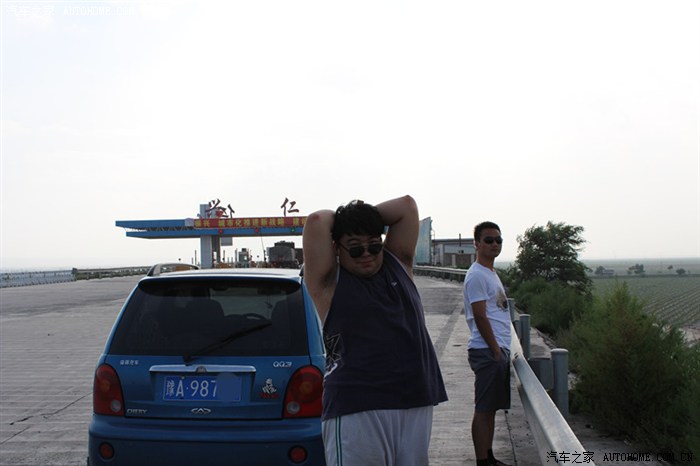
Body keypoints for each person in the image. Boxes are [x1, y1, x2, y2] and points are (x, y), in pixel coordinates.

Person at [302, 195, 448, 466]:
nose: (367, 254)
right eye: (355, 249)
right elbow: (317, 221)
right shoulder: (329, 283)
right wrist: (350, 219)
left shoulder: (398, 263)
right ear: (336, 248)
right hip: (357, 404)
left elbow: (407, 206)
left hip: (415, 397)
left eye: (374, 245)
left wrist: (363, 220)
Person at [463, 221, 511, 466]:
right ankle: (483, 460)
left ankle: (489, 457)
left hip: (495, 349)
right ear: (477, 243)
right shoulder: (477, 275)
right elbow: (480, 316)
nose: (495, 244)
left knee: (490, 408)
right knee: (483, 408)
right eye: (489, 240)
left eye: (498, 240)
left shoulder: (490, 273)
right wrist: (495, 350)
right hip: (487, 351)